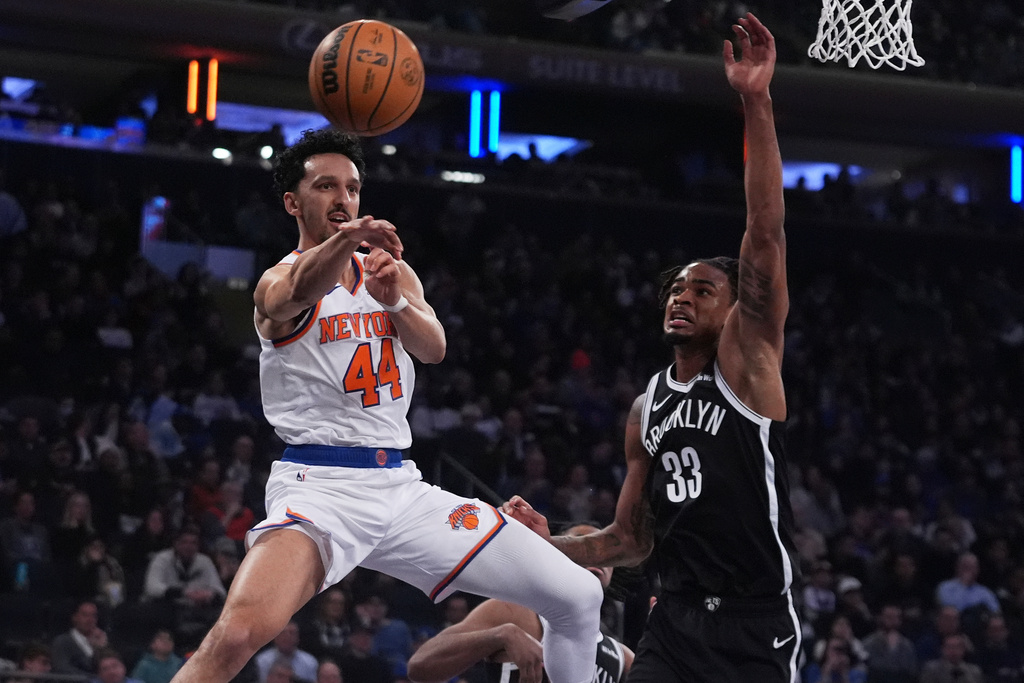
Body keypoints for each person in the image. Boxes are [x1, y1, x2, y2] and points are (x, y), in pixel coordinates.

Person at [169, 128, 603, 683]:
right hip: (320, 489)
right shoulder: (279, 279)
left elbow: (434, 348)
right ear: (293, 202)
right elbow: (296, 292)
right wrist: (346, 242)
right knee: (235, 636)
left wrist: (393, 297)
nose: (343, 198)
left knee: (579, 595)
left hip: (400, 488)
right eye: (326, 186)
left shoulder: (388, 273)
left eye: (351, 187)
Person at [505, 14, 800, 683]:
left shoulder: (749, 365)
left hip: (755, 625)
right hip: (674, 621)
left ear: (734, 307)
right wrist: (540, 544)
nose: (682, 296)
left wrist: (756, 100)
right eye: (676, 288)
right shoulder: (647, 407)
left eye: (702, 288)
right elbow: (628, 539)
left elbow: (766, 225)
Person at [407, 524, 634, 683]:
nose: (596, 557)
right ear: (557, 558)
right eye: (583, 547)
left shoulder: (621, 657)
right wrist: (500, 636)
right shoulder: (515, 613)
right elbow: (420, 665)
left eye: (604, 554)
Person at [51, 600, 108, 676]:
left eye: (93, 616)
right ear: (74, 617)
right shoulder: (62, 641)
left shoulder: (101, 640)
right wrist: (92, 679)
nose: (90, 620)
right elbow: (62, 668)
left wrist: (100, 648)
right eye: (85, 615)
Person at [254, 621, 318, 683]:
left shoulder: (309, 662)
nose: (287, 636)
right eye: (283, 633)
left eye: (292, 633)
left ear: (298, 638)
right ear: (275, 637)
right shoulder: (262, 661)